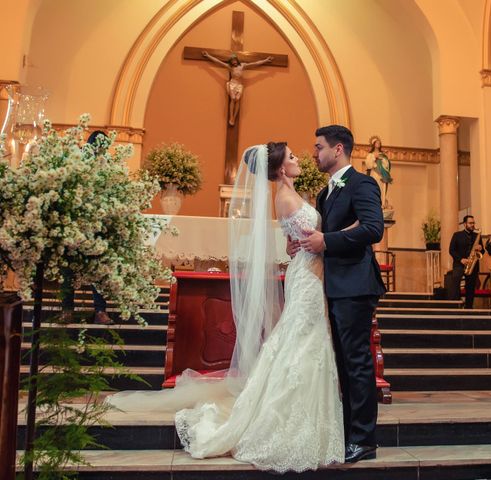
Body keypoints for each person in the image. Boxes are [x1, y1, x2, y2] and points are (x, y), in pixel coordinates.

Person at [108, 143, 344, 472]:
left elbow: (298, 241)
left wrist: (304, 245)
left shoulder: (287, 194)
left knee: (300, 341)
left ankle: (301, 414)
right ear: (279, 169)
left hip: (306, 273)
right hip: (307, 275)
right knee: (302, 342)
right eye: (291, 157)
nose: (297, 159)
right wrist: (330, 242)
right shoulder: (287, 197)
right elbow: (311, 242)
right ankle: (287, 420)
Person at [289, 125, 386, 463]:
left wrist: (326, 241)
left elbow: (373, 228)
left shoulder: (362, 183)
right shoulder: (325, 192)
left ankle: (364, 439)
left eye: (319, 147)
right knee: (342, 362)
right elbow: (322, 235)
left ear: (338, 149)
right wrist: (305, 243)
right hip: (331, 285)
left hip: (355, 285)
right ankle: (346, 433)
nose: (314, 153)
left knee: (357, 362)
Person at [60, 130, 113, 325]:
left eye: (103, 146)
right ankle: (67, 309)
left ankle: (100, 310)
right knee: (68, 270)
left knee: (99, 271)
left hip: (98, 227)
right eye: (97, 145)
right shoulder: (76, 164)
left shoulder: (108, 166)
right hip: (75, 225)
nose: (100, 150)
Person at [201, 52, 273, 126]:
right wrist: (208, 55)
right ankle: (231, 116)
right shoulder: (230, 67)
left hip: (239, 84)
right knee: (233, 98)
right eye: (232, 61)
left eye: (234, 60)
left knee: (237, 99)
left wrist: (266, 60)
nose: (234, 62)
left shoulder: (242, 66)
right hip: (232, 83)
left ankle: (234, 118)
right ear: (231, 62)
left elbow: (255, 64)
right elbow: (218, 62)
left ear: (237, 60)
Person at [449, 215, 484, 309]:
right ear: (464, 224)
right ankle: (454, 306)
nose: (472, 225)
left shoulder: (477, 236)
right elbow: (451, 250)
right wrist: (461, 259)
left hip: (472, 265)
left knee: (470, 287)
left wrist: (480, 249)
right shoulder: (457, 235)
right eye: (470, 223)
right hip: (459, 264)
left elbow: (483, 252)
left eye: (473, 223)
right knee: (455, 284)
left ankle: (469, 307)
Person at [364, 136, 392, 209]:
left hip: (381, 175)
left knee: (381, 189)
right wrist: (374, 157)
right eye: (377, 143)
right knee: (374, 187)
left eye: (379, 143)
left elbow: (387, 164)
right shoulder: (370, 155)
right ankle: (373, 202)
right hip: (374, 174)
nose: (378, 144)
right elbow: (368, 165)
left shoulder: (383, 155)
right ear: (373, 144)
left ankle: (381, 204)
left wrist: (383, 160)